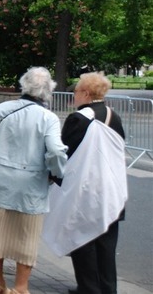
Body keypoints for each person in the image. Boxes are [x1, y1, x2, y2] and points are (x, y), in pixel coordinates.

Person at [0, 67, 68, 294]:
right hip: (30, 187)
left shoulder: (1, 110)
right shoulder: (48, 118)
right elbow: (55, 152)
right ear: (48, 91)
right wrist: (56, 173)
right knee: (26, 236)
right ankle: (21, 287)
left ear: (23, 85)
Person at [43, 72, 127, 294]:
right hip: (112, 188)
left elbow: (64, 153)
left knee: (81, 237)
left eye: (76, 91)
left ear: (86, 93)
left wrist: (51, 177)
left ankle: (88, 287)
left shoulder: (79, 118)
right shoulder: (113, 115)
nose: (74, 95)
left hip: (85, 189)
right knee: (107, 243)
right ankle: (108, 288)